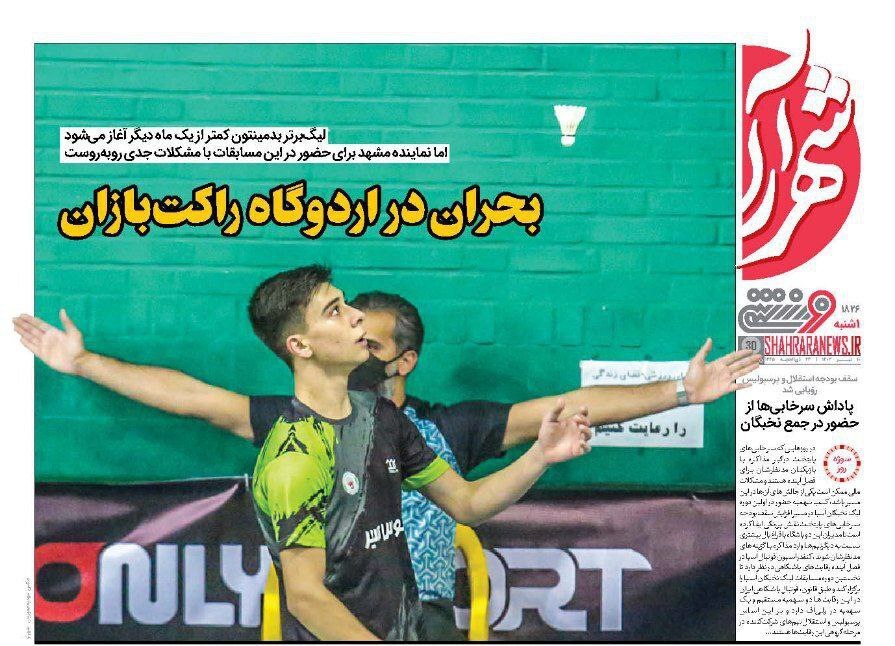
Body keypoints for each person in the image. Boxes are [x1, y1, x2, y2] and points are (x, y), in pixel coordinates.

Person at [15, 283, 759, 641]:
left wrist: (679, 392)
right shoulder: (290, 432)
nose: (357, 336)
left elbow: (564, 411)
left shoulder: (438, 427)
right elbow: (193, 399)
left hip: (421, 616)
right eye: (343, 322)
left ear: (403, 359)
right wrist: (83, 364)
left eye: (369, 335)